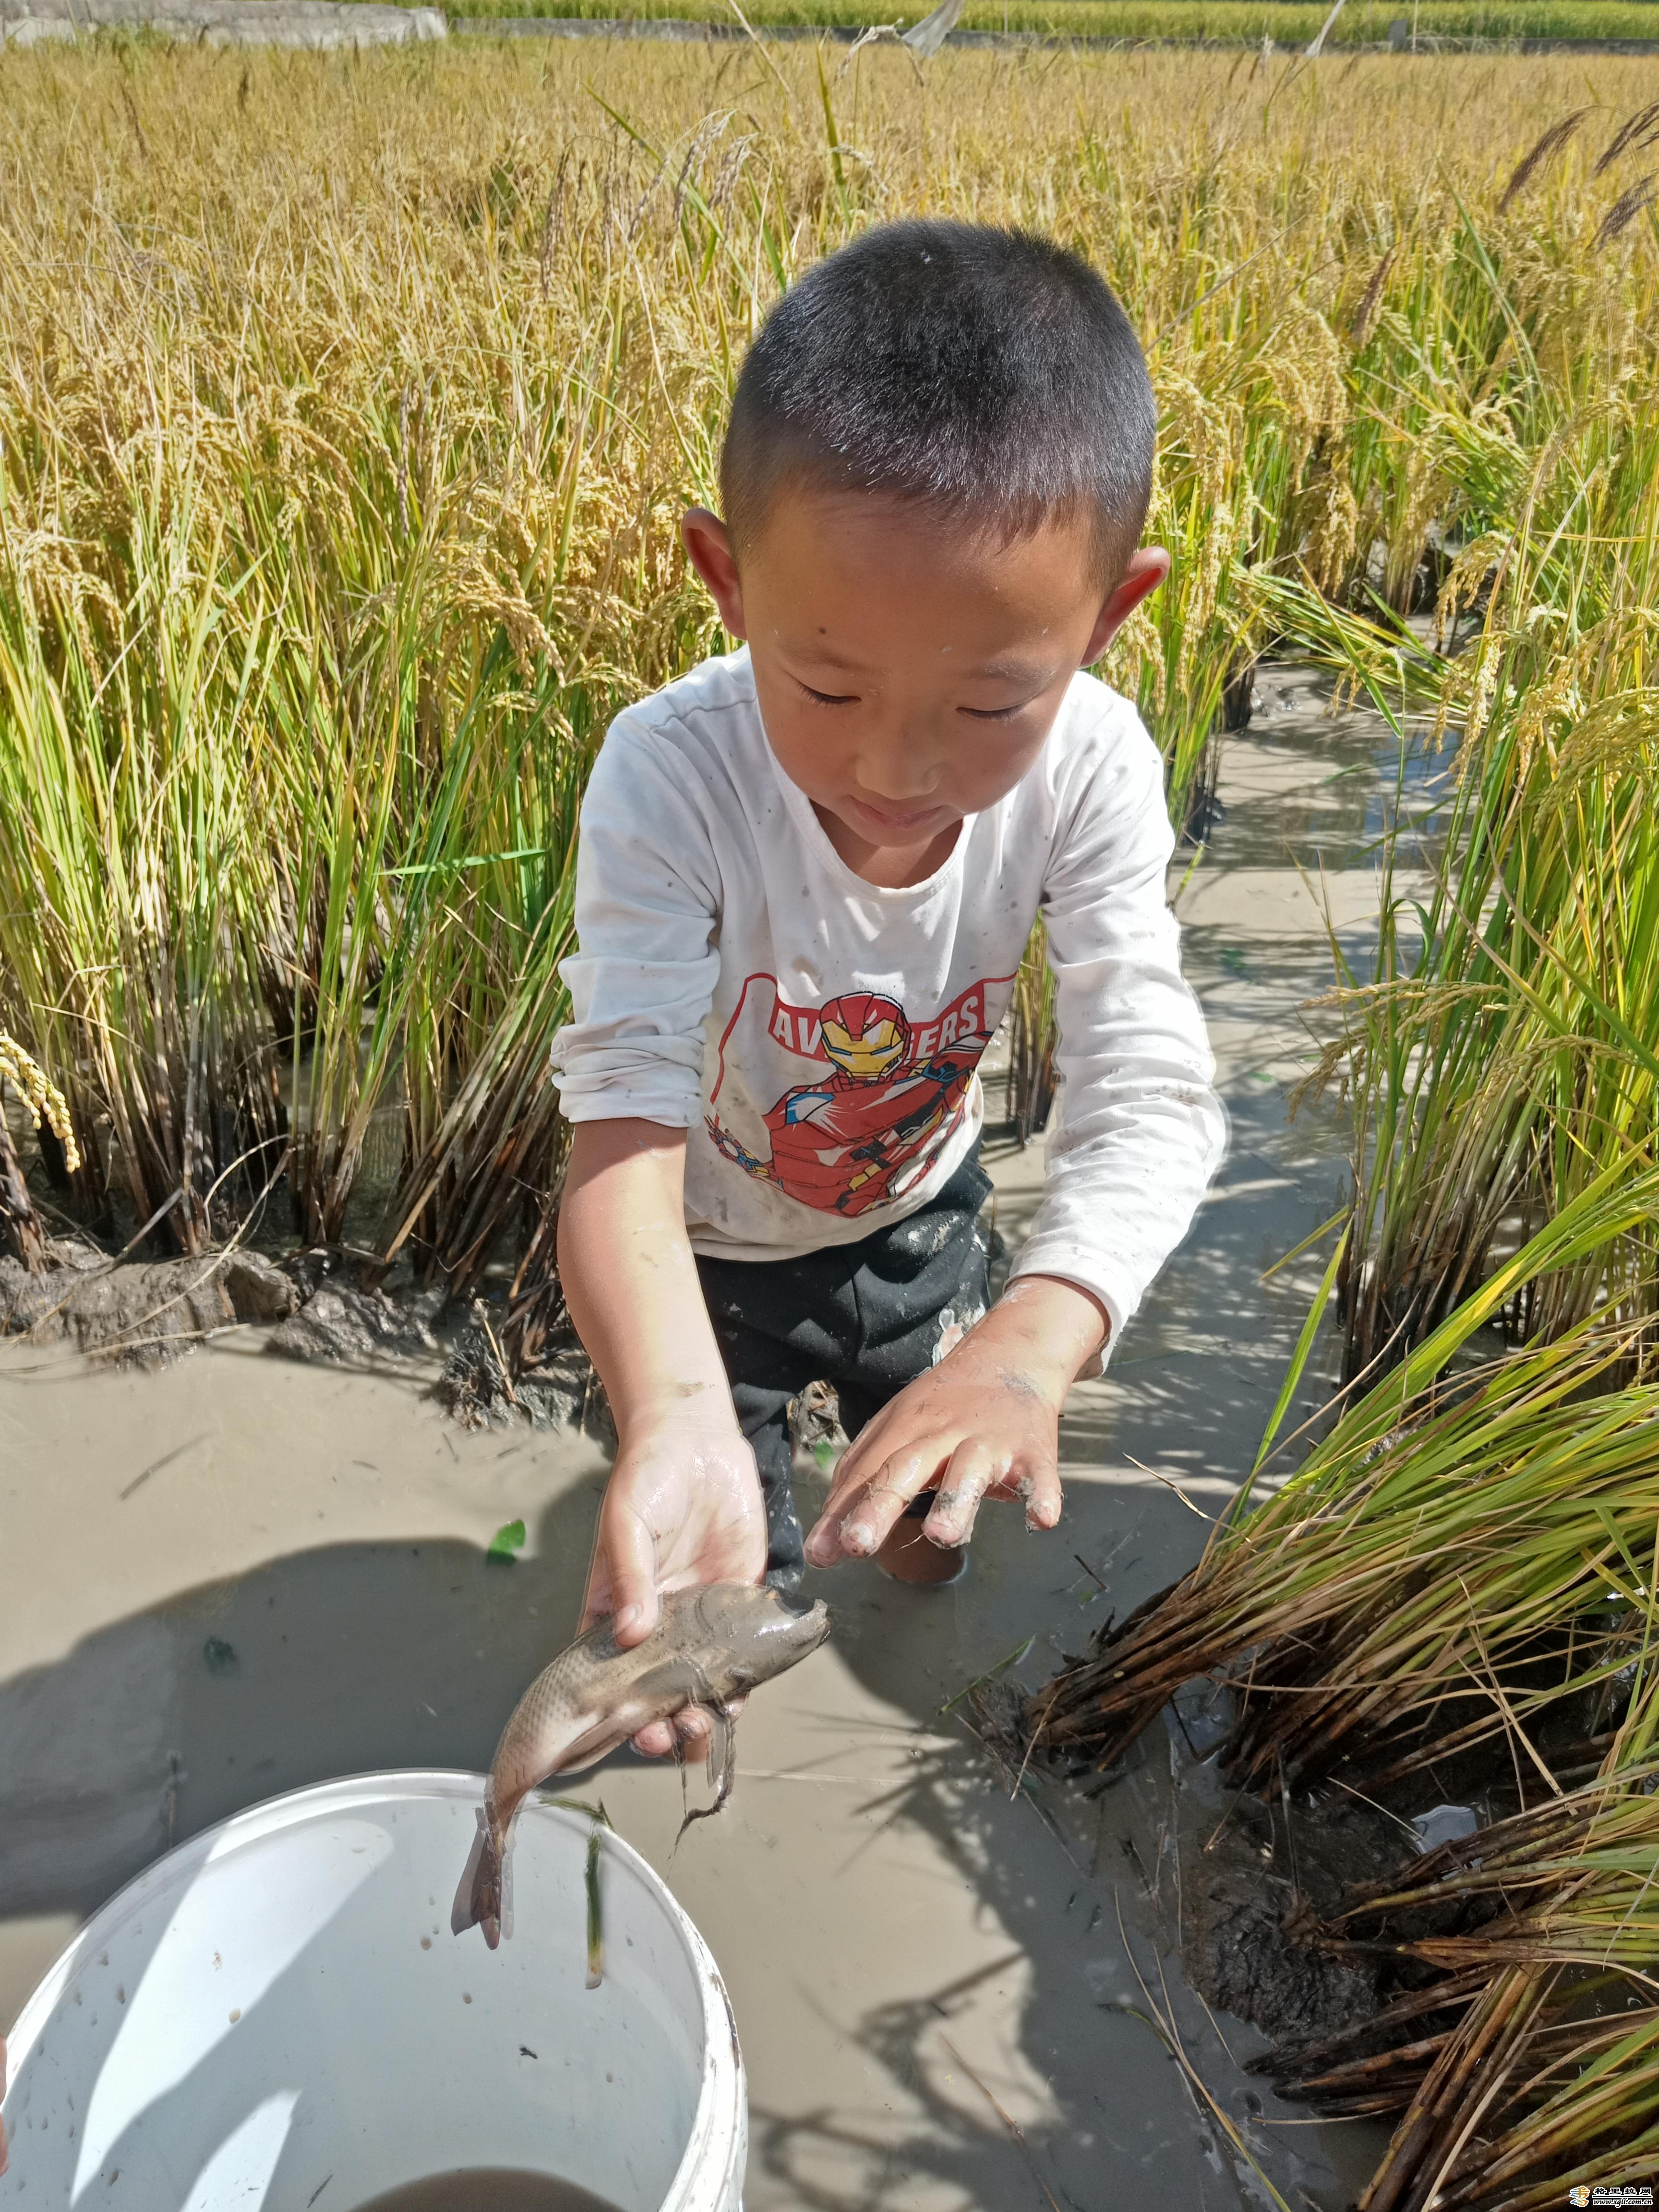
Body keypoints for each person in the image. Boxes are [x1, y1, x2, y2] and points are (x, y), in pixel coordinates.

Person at [552, 220, 1226, 1758]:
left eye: (995, 700)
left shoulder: (1101, 767)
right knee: (734, 1600)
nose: (897, 769)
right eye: (829, 685)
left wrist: (1031, 1344)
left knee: (930, 1531)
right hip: (705, 1255)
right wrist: (667, 1412)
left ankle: (919, 1530)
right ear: (726, 582)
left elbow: (1152, 1082)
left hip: (920, 1211)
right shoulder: (672, 774)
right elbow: (622, 1131)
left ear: (1109, 621)